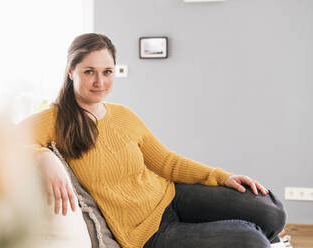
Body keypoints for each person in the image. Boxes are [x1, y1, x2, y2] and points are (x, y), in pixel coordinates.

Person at [20, 33, 286, 248]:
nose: (99, 81)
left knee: (272, 211)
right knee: (251, 240)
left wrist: (222, 177)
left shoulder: (123, 114)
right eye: (89, 71)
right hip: (148, 234)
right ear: (71, 72)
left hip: (172, 195)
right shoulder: (54, 119)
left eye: (107, 71)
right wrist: (42, 156)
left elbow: (168, 162)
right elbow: (4, 142)